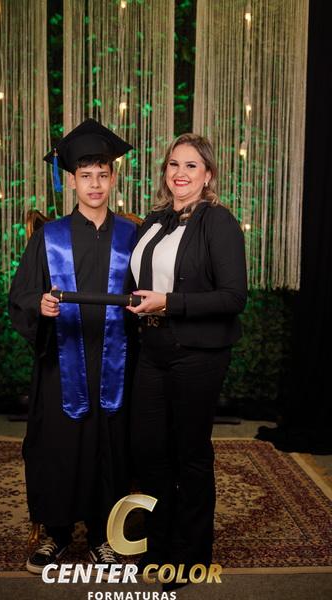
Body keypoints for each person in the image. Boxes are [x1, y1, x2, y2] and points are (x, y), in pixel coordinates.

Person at [9, 119, 137, 574]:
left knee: (111, 447)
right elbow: (21, 295)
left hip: (117, 362)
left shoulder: (133, 236)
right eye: (85, 176)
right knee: (58, 447)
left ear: (113, 178)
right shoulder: (50, 237)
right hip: (62, 364)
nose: (95, 184)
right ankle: (57, 533)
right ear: (72, 181)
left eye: (102, 174)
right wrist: (39, 305)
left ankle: (104, 535)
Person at [126, 133, 247, 589]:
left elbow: (233, 297)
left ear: (208, 174)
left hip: (197, 354)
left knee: (189, 455)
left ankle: (190, 555)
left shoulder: (218, 221)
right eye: (174, 164)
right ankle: (158, 545)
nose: (180, 172)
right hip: (152, 350)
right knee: (150, 452)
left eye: (191, 165)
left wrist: (168, 303)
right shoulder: (155, 219)